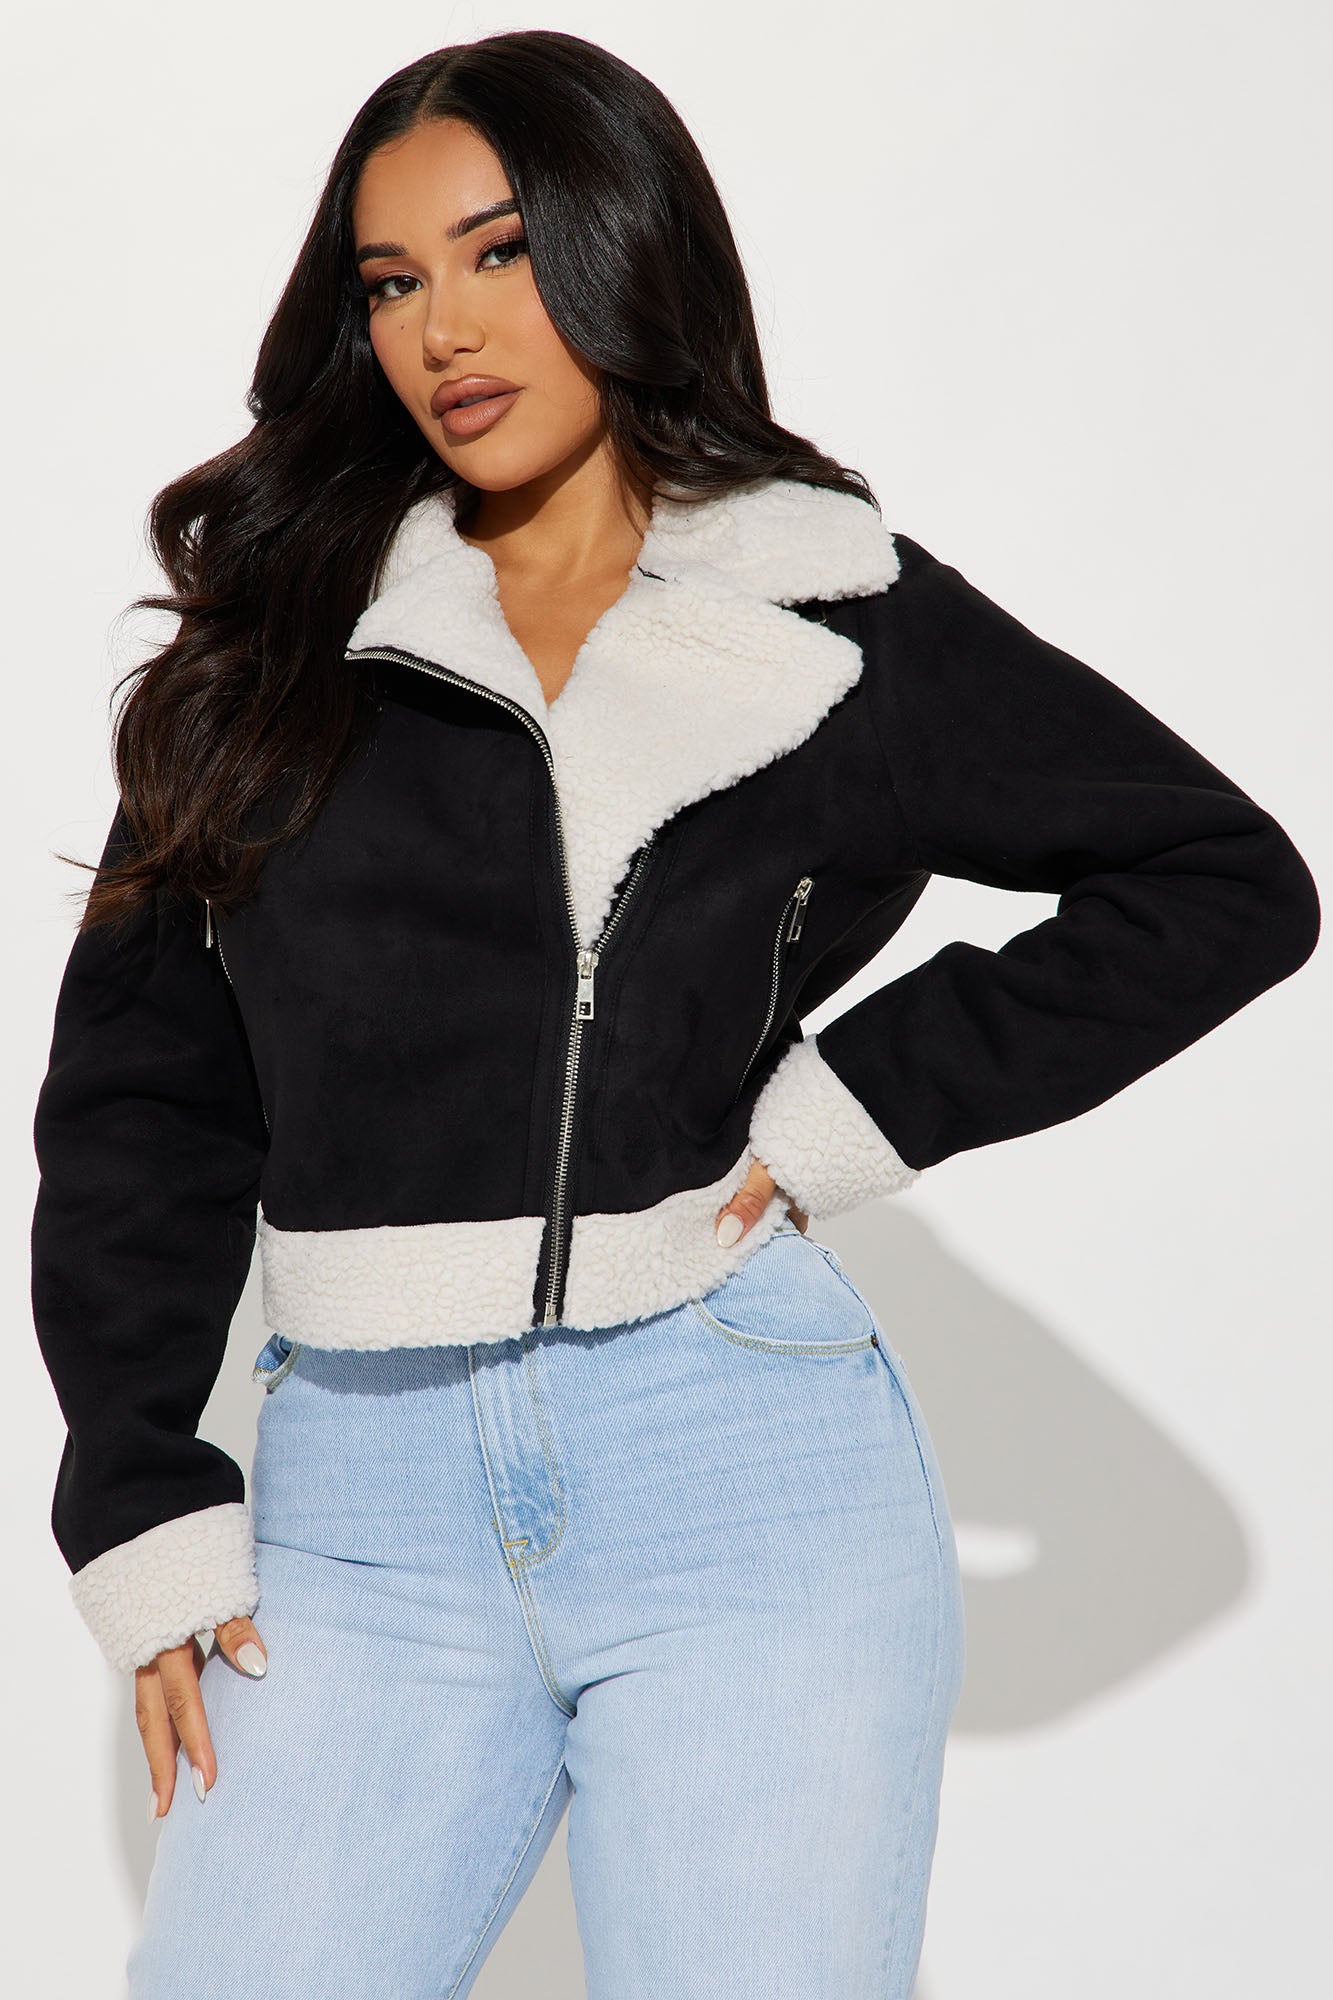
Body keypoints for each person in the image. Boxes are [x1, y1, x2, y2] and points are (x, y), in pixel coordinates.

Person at [27, 27, 1320, 2000]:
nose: (448, 328)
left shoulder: (824, 612)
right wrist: (141, 1490)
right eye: (394, 281)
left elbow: (1223, 882)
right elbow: (140, 1100)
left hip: (748, 1478)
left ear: (621, 248)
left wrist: (853, 1102)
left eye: (502, 253)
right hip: (359, 1510)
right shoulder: (286, 644)